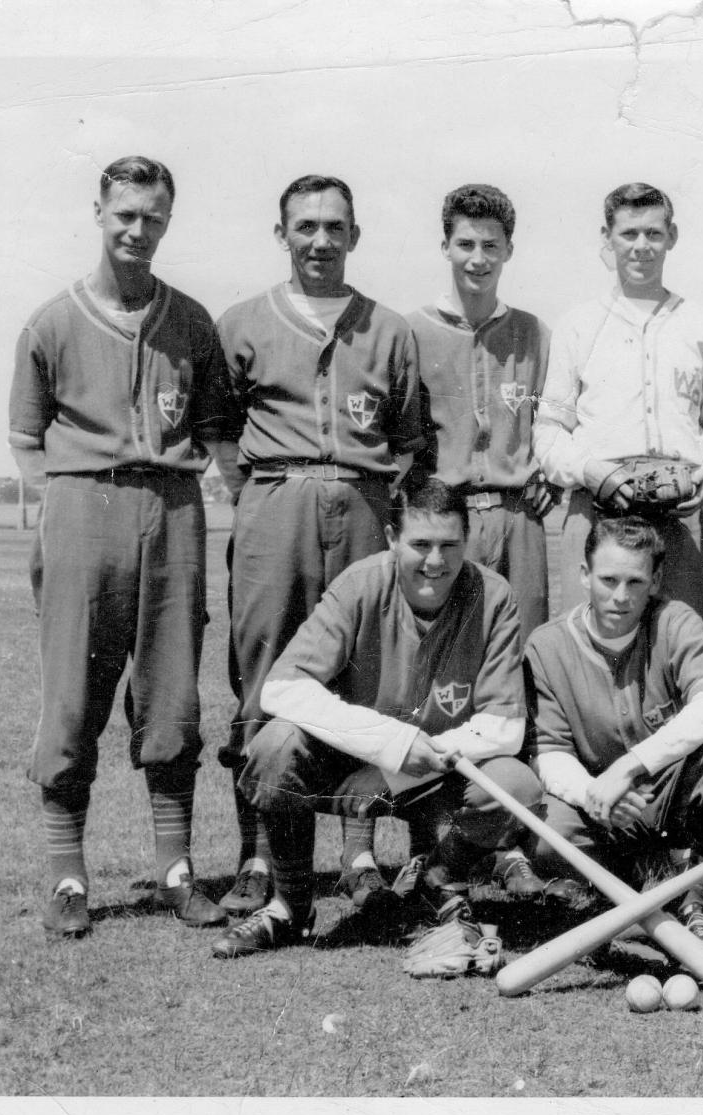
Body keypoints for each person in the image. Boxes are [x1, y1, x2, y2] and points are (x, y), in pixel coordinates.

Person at [9, 155, 234, 938]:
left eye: (154, 217)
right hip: (81, 507)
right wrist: (67, 503)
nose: (138, 231)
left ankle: (176, 868)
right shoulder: (52, 320)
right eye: (125, 216)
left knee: (172, 692)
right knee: (72, 693)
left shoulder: (192, 320)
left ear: (168, 220)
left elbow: (213, 431)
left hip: (171, 509)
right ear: (99, 212)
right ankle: (68, 878)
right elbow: (25, 438)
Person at [213, 174, 432, 926]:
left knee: (363, 669)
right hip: (276, 496)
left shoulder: (389, 328)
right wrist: (268, 496)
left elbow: (410, 439)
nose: (319, 240)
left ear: (355, 235)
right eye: (304, 226)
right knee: (265, 668)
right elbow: (219, 430)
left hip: (364, 498)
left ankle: (361, 855)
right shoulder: (242, 321)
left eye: (334, 226)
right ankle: (257, 855)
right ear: (282, 234)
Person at [212, 477, 540, 972]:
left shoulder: (493, 596)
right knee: (274, 746)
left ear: (467, 541)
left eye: (450, 545)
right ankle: (291, 906)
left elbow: (505, 727)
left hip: (436, 771)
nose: (435, 561)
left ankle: (438, 883)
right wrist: (388, 743)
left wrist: (408, 761)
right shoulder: (359, 583)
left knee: (515, 783)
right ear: (392, 538)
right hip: (356, 764)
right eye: (421, 545)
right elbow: (281, 688)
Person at [407, 182, 559, 901]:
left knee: (518, 675)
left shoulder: (533, 331)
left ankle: (515, 843)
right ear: (445, 247)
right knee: (440, 681)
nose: (476, 258)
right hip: (448, 522)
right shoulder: (412, 331)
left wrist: (551, 475)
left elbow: (557, 425)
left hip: (517, 522)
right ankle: (433, 842)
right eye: (464, 244)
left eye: (489, 246)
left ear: (508, 251)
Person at [523, 516, 703, 955]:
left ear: (655, 580)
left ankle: (697, 897)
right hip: (603, 810)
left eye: (635, 581)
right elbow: (548, 753)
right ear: (583, 575)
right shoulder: (547, 645)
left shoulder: (674, 620)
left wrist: (629, 767)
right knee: (545, 832)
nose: (620, 595)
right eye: (608, 579)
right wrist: (595, 791)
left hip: (666, 796)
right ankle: (633, 891)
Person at [533, 182, 703, 629]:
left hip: (681, 511)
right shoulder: (578, 324)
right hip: (600, 506)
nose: (641, 246)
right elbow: (548, 431)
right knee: (591, 653)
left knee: (684, 648)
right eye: (628, 234)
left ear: (672, 236)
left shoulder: (700, 323)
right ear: (607, 238)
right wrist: (589, 470)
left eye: (653, 234)